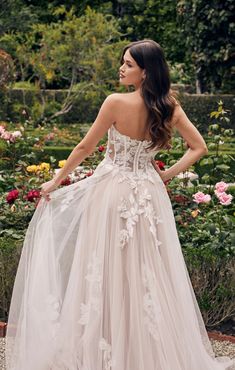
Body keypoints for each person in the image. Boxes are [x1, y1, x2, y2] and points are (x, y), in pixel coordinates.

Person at [5, 39, 234, 370]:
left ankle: (102, 350)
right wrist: (164, 175)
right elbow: (198, 147)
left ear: (144, 71)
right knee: (148, 271)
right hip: (149, 196)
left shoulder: (115, 102)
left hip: (113, 194)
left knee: (104, 268)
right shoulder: (169, 106)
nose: (121, 68)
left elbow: (85, 146)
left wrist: (56, 181)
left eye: (128, 64)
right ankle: (146, 352)